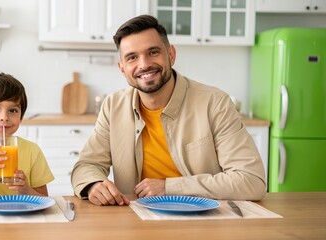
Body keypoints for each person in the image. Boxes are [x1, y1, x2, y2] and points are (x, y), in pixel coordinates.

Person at [71, 15, 266, 206]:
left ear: (171, 54)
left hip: (204, 221)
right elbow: (86, 166)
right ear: (122, 68)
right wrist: (93, 185)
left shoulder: (215, 103)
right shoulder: (113, 106)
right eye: (132, 57)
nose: (144, 64)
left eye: (153, 52)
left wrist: (170, 187)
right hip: (137, 221)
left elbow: (251, 180)